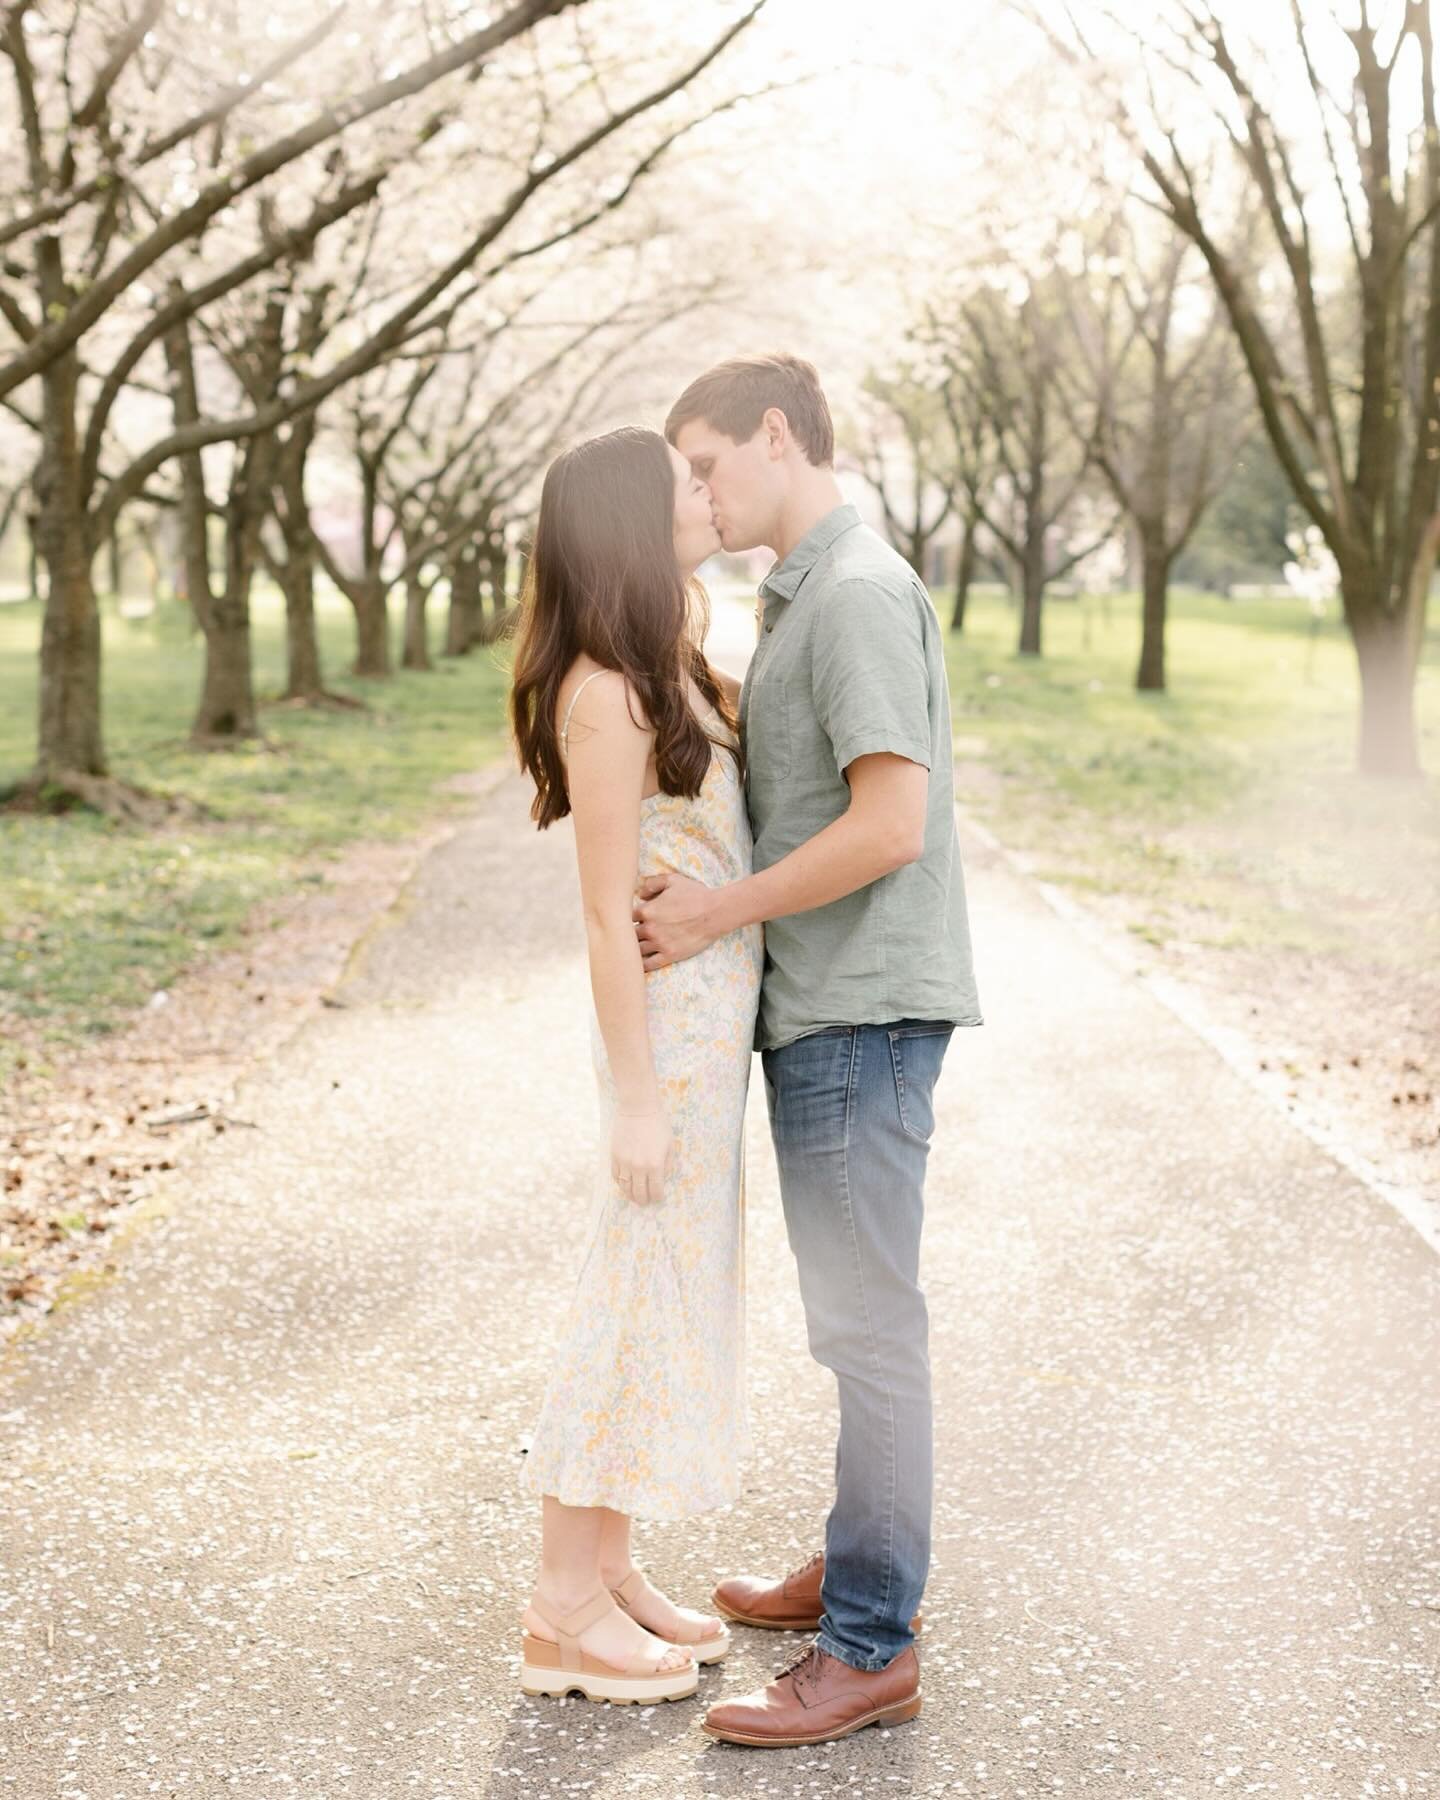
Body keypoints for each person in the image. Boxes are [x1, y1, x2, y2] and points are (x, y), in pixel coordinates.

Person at [633, 353, 984, 1748]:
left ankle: (869, 1644)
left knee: (869, 1330)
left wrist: (717, 908)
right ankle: (859, 1567)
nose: (701, 494)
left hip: (861, 1012)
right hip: (828, 1010)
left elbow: (889, 823)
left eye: (710, 464)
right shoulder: (806, 597)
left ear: (779, 436)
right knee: (856, 1324)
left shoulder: (850, 594)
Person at [508, 425, 764, 1706]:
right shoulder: (604, 690)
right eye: (683, 488)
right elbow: (607, 909)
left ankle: (607, 1573)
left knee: (663, 1297)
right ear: (626, 521)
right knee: (627, 1297)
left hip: (710, 1043)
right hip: (664, 1048)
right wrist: (632, 1098)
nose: (707, 496)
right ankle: (559, 1607)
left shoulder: (662, 663)